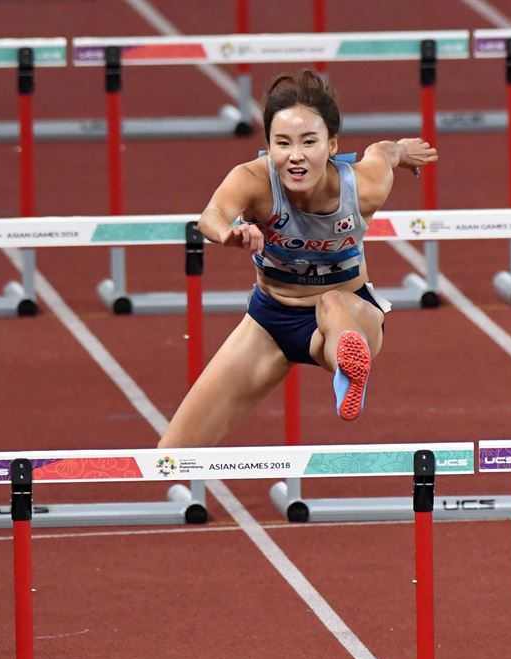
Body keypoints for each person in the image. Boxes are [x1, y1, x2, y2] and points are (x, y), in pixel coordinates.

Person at [158, 69, 437, 449]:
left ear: (332, 145)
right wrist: (228, 233)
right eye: (283, 143)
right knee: (173, 453)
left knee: (332, 303)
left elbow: (381, 154)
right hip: (270, 321)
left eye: (309, 142)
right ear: (269, 146)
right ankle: (345, 366)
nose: (296, 156)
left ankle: (347, 367)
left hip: (350, 313)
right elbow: (211, 215)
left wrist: (402, 150)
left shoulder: (364, 187)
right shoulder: (252, 180)